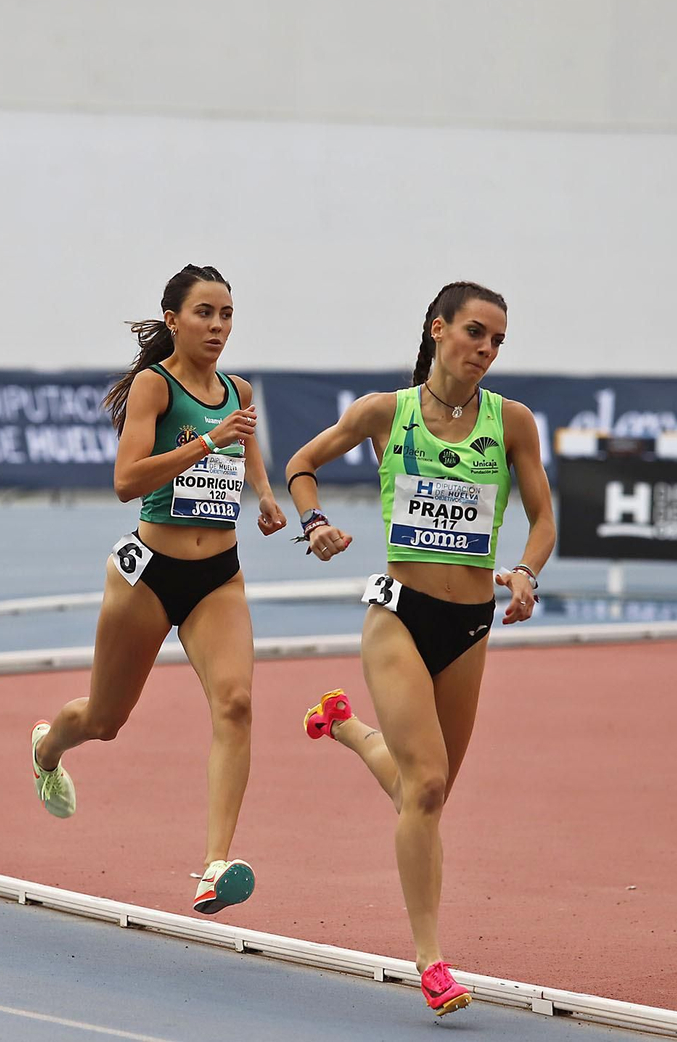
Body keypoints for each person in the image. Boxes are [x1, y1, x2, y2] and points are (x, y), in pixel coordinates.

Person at [283, 281, 554, 1017]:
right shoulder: (386, 412)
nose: (486, 349)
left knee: (420, 795)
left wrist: (525, 573)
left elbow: (543, 520)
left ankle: (345, 726)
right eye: (475, 332)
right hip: (398, 617)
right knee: (427, 787)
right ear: (438, 329)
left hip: (469, 627)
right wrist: (315, 525)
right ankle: (431, 961)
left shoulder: (513, 422)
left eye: (498, 341)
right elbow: (301, 465)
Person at [30, 264, 287, 915]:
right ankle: (48, 748)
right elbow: (127, 481)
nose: (218, 326)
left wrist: (264, 495)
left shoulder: (237, 389)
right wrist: (205, 443)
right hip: (147, 573)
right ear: (173, 320)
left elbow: (246, 447)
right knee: (104, 721)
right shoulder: (155, 386)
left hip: (218, 577)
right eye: (205, 313)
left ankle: (214, 865)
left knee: (236, 704)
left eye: (226, 315)